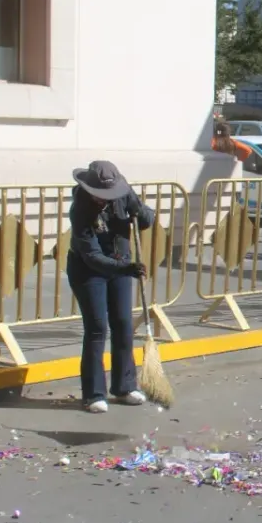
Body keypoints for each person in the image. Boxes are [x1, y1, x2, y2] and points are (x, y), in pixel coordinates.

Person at [67, 161, 155, 413]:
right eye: (100, 195)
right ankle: (93, 394)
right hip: (88, 271)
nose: (104, 200)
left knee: (123, 324)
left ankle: (125, 386)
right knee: (97, 329)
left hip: (120, 264)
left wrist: (140, 211)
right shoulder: (80, 209)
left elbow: (146, 219)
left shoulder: (123, 193)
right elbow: (92, 255)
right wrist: (125, 269)